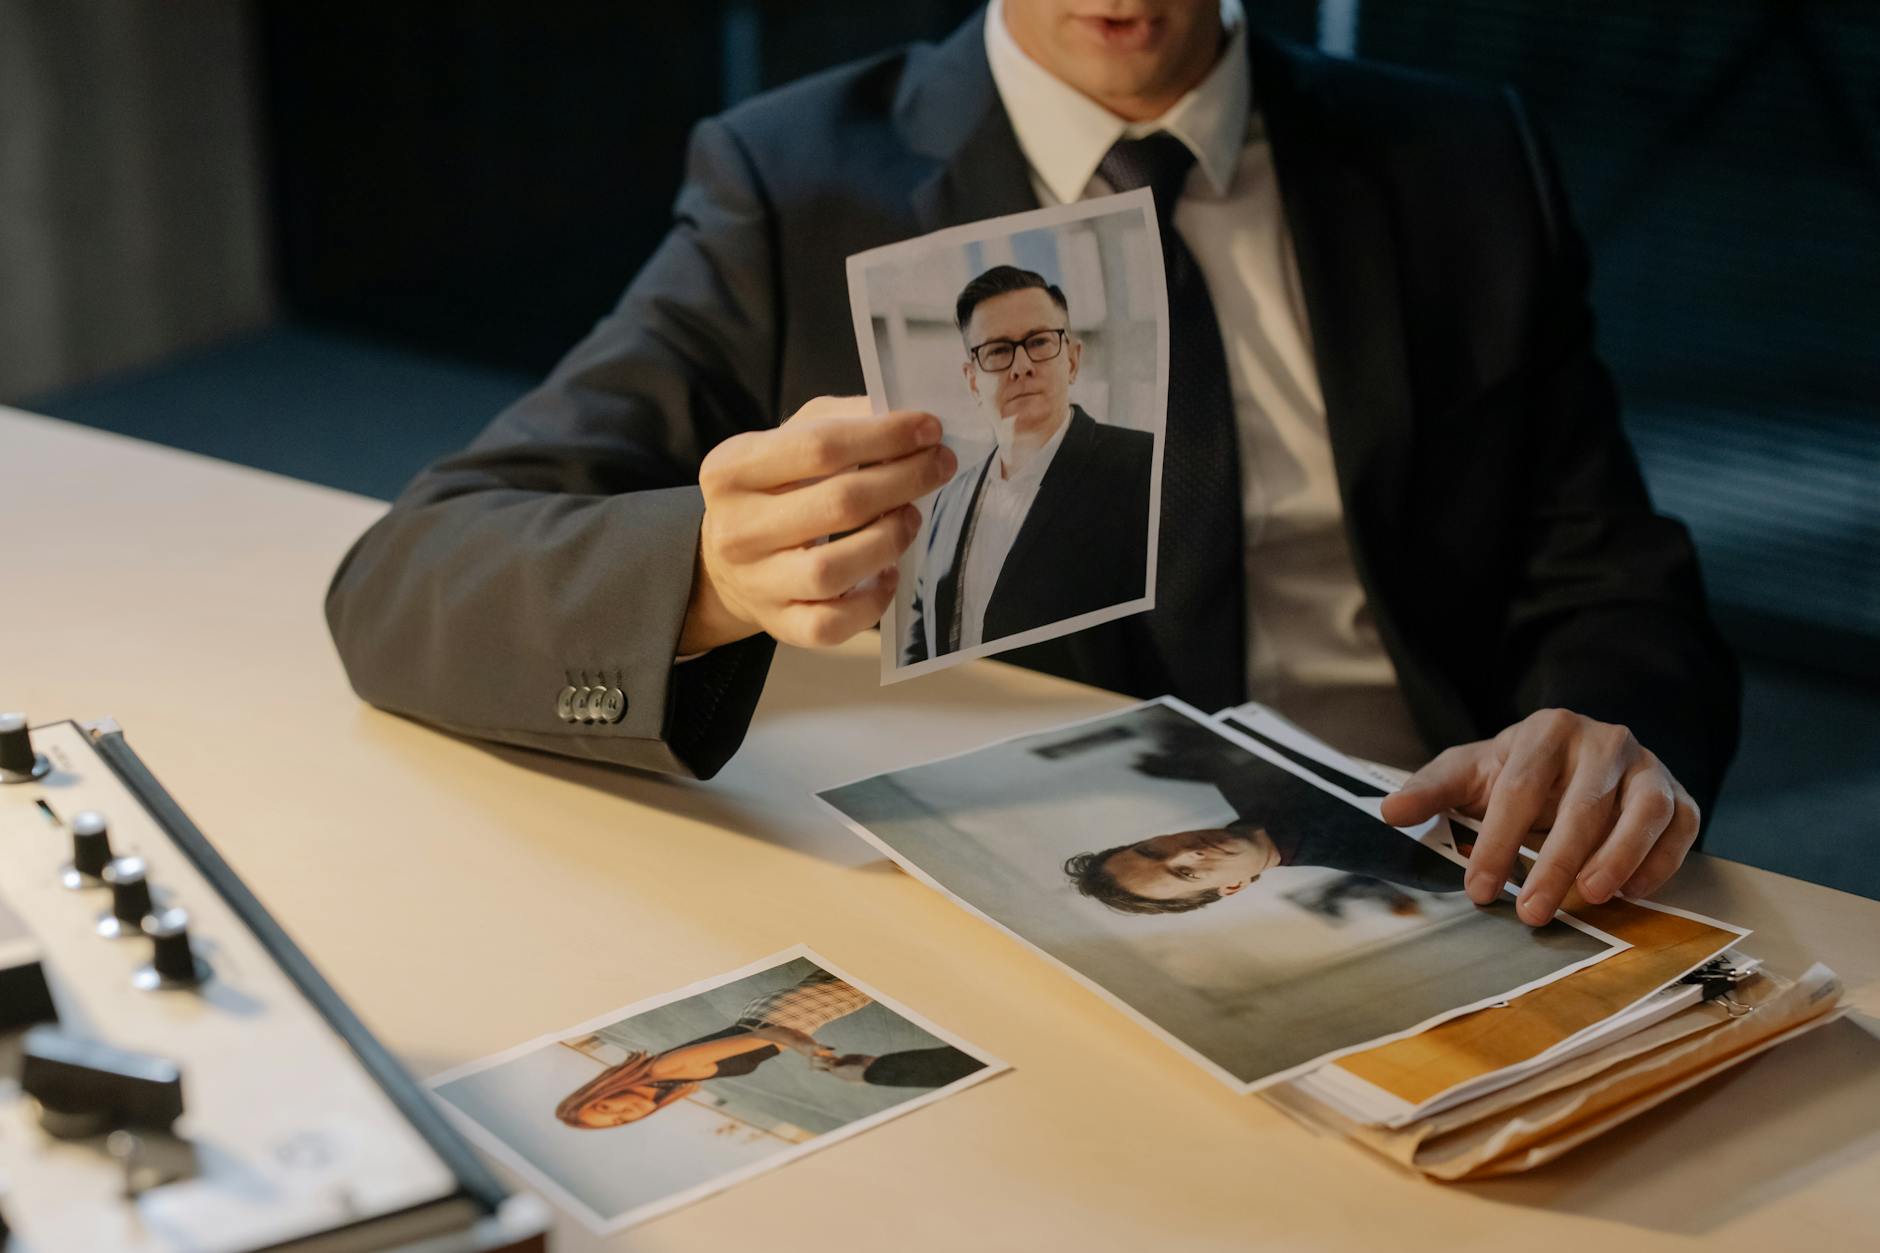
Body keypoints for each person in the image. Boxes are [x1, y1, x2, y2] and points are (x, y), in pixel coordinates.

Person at [325, 0, 1739, 930]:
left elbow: (1614, 580)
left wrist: (1608, 731)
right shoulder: (791, 182)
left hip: (1433, 863)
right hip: (1011, 891)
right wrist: (702, 576)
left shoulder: (1461, 160)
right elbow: (404, 581)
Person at [904, 264, 1153, 663]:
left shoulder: (1143, 466)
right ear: (972, 381)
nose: (1021, 366)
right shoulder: (949, 498)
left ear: (1072, 360)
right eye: (998, 350)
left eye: (1038, 342)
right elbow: (923, 627)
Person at [555, 969, 982, 1129]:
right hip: (788, 1015)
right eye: (617, 1122)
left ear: (601, 1091)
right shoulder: (675, 1079)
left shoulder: (672, 1066)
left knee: (867, 974)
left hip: (787, 1016)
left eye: (605, 1108)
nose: (623, 1112)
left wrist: (813, 1053)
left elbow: (770, 1036)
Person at [1064, 753, 1469, 915]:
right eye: (1185, 875)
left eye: (1152, 850)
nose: (1187, 854)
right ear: (1234, 886)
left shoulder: (1232, 765)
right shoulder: (1418, 868)